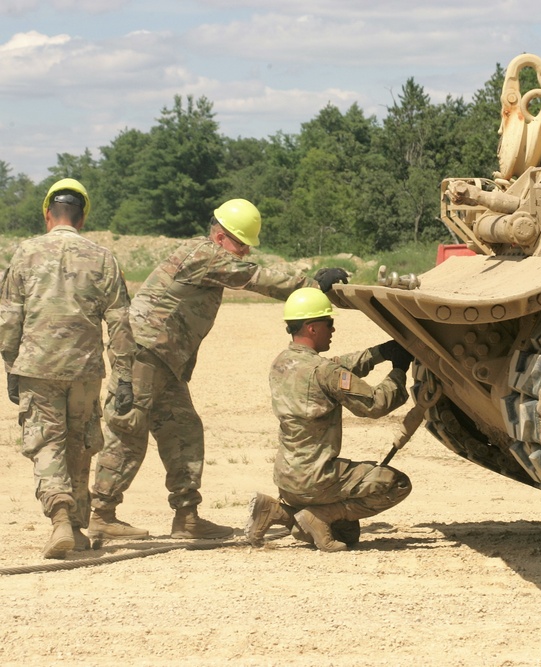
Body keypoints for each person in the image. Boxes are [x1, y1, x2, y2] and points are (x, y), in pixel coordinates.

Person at [89, 199, 349, 541]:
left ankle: (187, 518)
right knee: (128, 430)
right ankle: (102, 515)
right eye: (239, 244)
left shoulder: (212, 258)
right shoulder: (203, 254)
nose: (242, 252)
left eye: (245, 246)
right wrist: (312, 285)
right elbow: (256, 277)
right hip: (142, 355)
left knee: (184, 432)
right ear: (219, 235)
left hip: (164, 361)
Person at [0, 178, 136, 558]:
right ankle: (75, 527)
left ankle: (61, 518)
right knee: (79, 444)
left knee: (47, 442)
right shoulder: (103, 257)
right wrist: (123, 376)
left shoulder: (24, 253)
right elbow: (121, 322)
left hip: (37, 367)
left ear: (48, 214)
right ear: (82, 218)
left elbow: (9, 318)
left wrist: (11, 365)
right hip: (85, 369)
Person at [245, 287, 414, 552]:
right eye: (329, 323)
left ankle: (275, 509)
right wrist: (399, 369)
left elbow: (335, 367)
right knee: (397, 484)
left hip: (287, 479)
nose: (333, 330)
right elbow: (376, 404)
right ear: (313, 328)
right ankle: (320, 515)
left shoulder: (283, 362)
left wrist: (379, 352)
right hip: (317, 479)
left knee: (347, 533)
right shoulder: (324, 371)